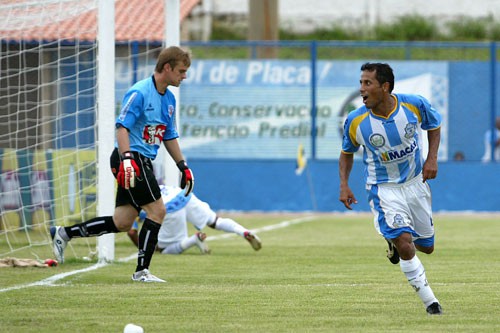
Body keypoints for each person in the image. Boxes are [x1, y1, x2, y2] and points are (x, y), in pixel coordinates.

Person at [50, 46, 194, 283]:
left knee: (122, 222)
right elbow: (122, 127)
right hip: (131, 157)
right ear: (167, 67)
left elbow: (169, 135)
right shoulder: (139, 92)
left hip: (141, 160)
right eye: (181, 71)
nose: (184, 76)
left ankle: (63, 233)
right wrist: (127, 160)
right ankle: (141, 272)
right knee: (158, 211)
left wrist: (183, 166)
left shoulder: (169, 99)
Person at [338, 63, 443, 315]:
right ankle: (432, 304)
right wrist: (344, 185)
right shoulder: (355, 120)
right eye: (361, 83)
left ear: (384, 87)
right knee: (406, 242)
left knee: (426, 247)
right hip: (383, 189)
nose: (361, 89)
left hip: (415, 184)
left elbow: (434, 125)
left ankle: (394, 239)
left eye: (367, 83)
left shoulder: (413, 105)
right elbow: (346, 154)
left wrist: (432, 159)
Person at [127, 185, 262, 254]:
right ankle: (243, 232)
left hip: (168, 207)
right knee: (215, 221)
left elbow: (132, 232)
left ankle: (193, 240)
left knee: (159, 249)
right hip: (183, 194)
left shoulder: (131, 201)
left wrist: (143, 250)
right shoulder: (149, 181)